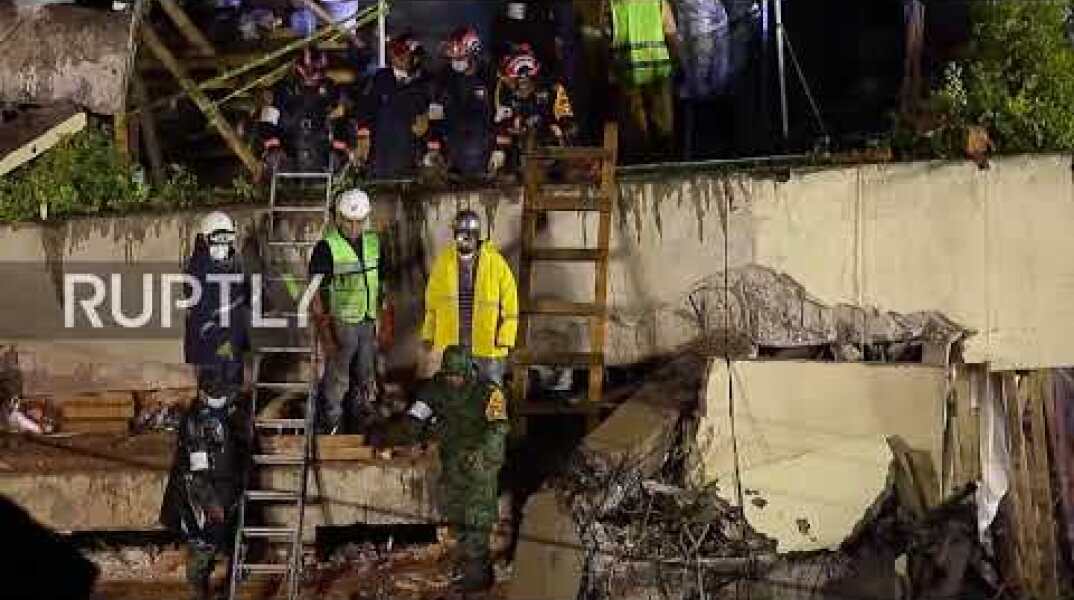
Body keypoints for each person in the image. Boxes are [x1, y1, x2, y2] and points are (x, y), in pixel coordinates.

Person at [407, 345, 508, 592]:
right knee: (457, 512)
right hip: (453, 457)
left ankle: (478, 576)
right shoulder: (436, 387)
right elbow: (417, 414)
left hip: (481, 461)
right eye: (449, 374)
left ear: (467, 371)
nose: (453, 380)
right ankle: (466, 563)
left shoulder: (488, 391)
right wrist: (413, 435)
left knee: (476, 514)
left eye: (457, 375)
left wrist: (482, 454)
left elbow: (499, 427)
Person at [160, 367, 246, 600]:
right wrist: (210, 504)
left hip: (226, 488)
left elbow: (240, 447)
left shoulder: (231, 414)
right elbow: (197, 473)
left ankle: (217, 584)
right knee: (203, 544)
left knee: (227, 541)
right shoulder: (195, 422)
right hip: (203, 494)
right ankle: (199, 590)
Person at [308, 188, 385, 434]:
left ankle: (359, 423)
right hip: (341, 321)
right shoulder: (326, 247)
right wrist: (326, 334)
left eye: (359, 222)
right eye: (349, 222)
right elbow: (315, 294)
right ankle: (331, 423)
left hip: (367, 318)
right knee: (338, 376)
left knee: (365, 373)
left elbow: (381, 283)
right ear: (339, 218)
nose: (354, 227)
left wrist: (384, 318)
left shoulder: (373, 242)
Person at [422, 210, 517, 386]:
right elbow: (432, 302)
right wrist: (429, 334)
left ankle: (493, 415)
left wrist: (506, 337)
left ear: (476, 235)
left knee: (490, 389)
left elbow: (510, 304)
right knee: (454, 391)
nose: (463, 239)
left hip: (488, 343)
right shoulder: (444, 262)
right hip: (453, 345)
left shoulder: (495, 262)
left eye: (467, 235)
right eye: (459, 234)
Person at [346, 33, 436, 179]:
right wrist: (362, 137)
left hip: (410, 164)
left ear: (415, 58)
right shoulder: (381, 78)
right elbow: (364, 110)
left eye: (402, 54)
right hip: (380, 162)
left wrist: (428, 127)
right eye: (394, 53)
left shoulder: (427, 85)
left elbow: (437, 120)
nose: (396, 58)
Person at [184, 211, 250, 391]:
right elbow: (200, 310)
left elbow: (245, 292)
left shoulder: (236, 261)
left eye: (226, 237)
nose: (222, 243)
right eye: (217, 237)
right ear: (206, 238)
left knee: (231, 387)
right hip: (210, 344)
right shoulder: (198, 266)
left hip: (229, 342)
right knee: (214, 389)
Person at [607, 0, 679, 162]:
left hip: (628, 75)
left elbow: (605, 38)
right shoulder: (657, 2)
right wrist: (675, 63)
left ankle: (640, 171)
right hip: (658, 72)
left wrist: (610, 72)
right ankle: (665, 169)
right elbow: (671, 34)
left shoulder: (614, 4)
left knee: (637, 134)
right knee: (664, 130)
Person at [490, 47, 577, 176]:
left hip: (549, 151)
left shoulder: (554, 90)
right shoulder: (504, 92)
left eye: (511, 79)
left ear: (525, 79)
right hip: (518, 154)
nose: (506, 81)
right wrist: (499, 150)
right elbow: (502, 125)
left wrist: (559, 131)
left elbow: (569, 123)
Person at [257, 47, 343, 174]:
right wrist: (272, 145)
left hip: (321, 149)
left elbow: (341, 119)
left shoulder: (331, 90)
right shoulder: (283, 90)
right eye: (309, 68)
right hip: (288, 149)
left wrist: (339, 147)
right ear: (298, 67)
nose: (313, 74)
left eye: (318, 69)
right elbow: (267, 120)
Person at [427, 26, 494, 180]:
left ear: (473, 54)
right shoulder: (442, 80)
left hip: (484, 159)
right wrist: (434, 148)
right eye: (453, 58)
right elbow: (435, 116)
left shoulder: (489, 78)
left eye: (461, 57)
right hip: (453, 161)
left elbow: (499, 116)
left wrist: (500, 150)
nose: (456, 62)